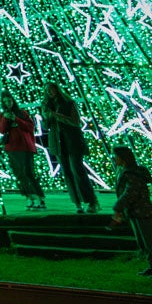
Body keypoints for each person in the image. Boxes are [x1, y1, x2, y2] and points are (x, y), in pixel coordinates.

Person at [110, 145, 152, 279]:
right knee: (144, 242)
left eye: (115, 156)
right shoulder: (124, 171)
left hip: (142, 211)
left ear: (122, 158)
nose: (113, 159)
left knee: (151, 240)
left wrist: (118, 207)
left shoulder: (133, 174)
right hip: (133, 211)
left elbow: (130, 192)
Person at [41, 82, 100, 214]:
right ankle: (77, 202)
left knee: (77, 170)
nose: (50, 92)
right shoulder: (46, 105)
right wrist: (47, 118)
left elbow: (75, 121)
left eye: (51, 89)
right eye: (47, 91)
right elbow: (46, 127)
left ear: (57, 89)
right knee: (67, 172)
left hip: (72, 140)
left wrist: (57, 115)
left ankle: (91, 200)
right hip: (57, 142)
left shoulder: (68, 102)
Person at [0, 92, 45, 210]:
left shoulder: (22, 113)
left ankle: (39, 197)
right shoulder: (3, 115)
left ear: (13, 101)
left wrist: (16, 119)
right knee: (19, 174)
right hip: (12, 147)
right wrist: (5, 118)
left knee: (28, 172)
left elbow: (30, 127)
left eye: (9, 101)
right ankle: (28, 196)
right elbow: (2, 130)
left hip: (25, 146)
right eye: (5, 102)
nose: (8, 103)